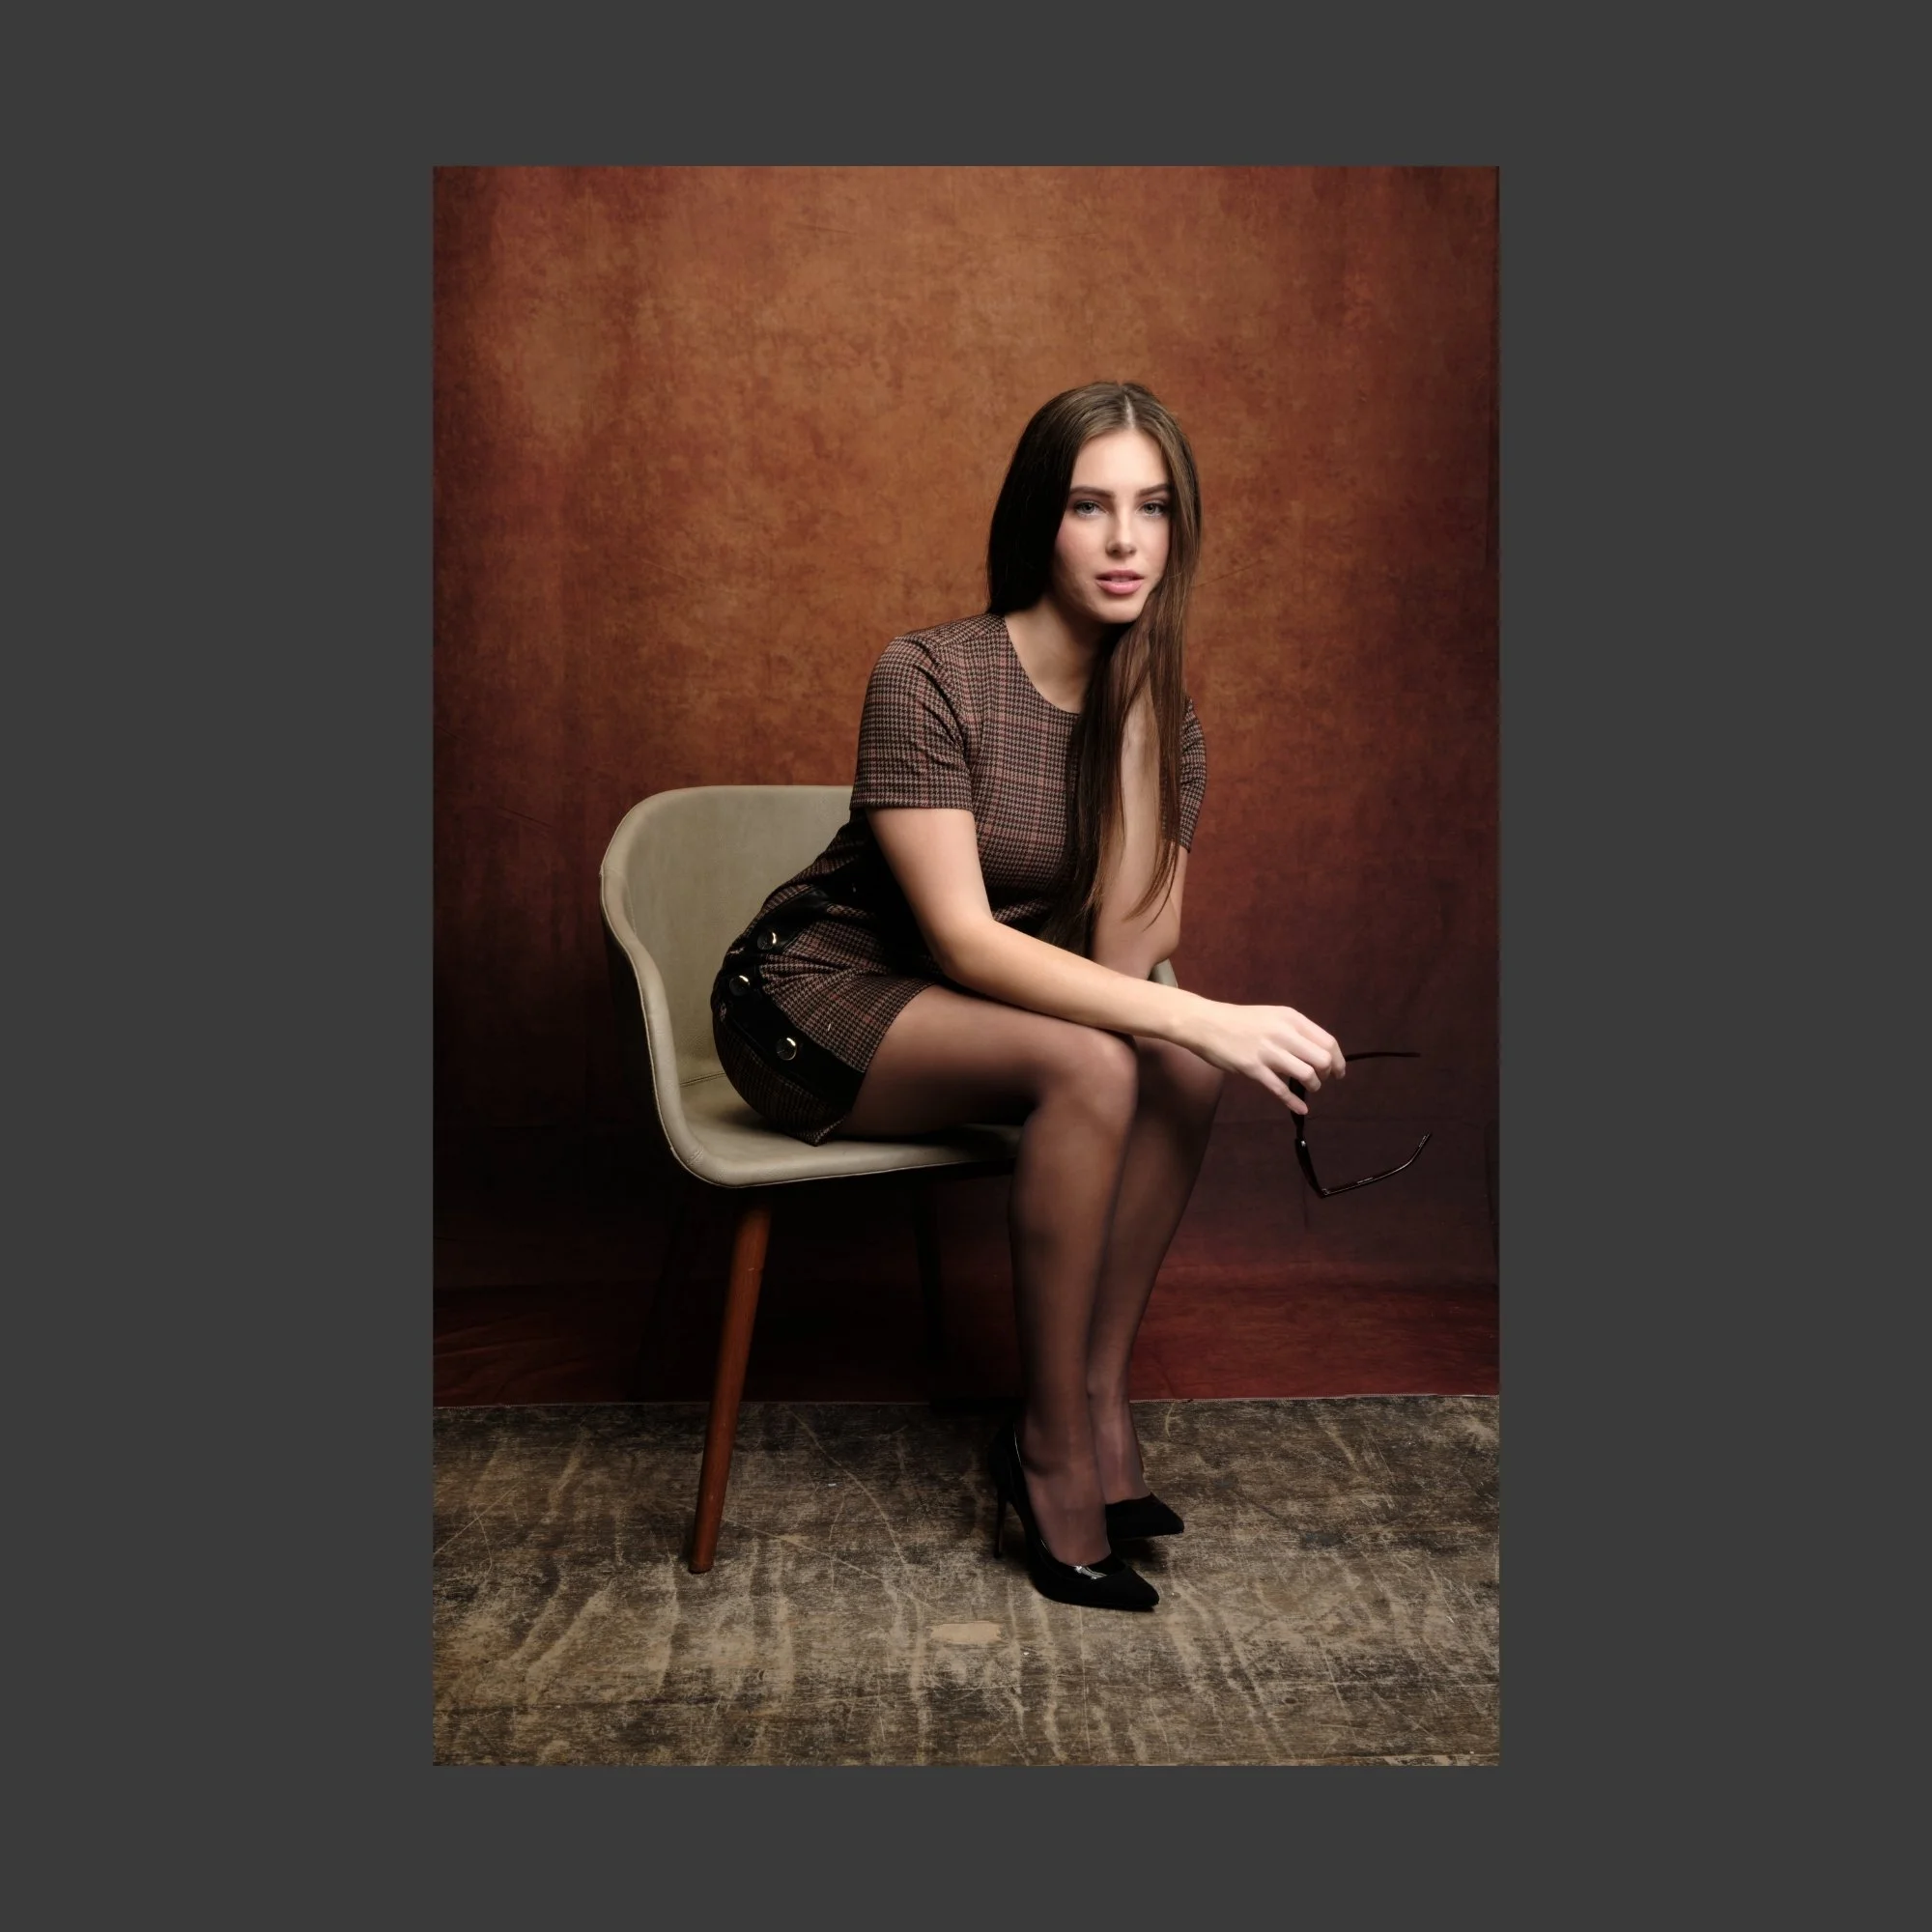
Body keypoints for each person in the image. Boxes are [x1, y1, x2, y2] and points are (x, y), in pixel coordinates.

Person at [711, 382, 1345, 1611]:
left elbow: (1120, 961)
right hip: (808, 999)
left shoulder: (1165, 715)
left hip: (981, 1020)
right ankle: (1047, 1443)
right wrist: (1202, 1008)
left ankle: (1098, 1399)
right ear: (1036, 522)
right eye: (1088, 506)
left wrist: (1143, 717)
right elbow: (959, 939)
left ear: (1178, 530)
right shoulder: (931, 672)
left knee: (1170, 1059)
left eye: (1151, 509)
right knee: (1109, 1056)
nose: (1123, 541)